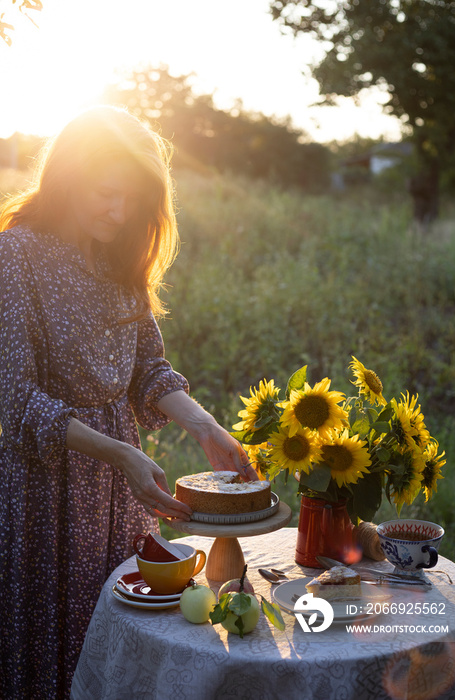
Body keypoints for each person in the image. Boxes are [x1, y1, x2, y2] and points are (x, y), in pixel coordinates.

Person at [0, 105, 256, 699]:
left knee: (121, 639)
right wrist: (120, 454)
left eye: (133, 200)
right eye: (106, 194)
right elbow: (14, 400)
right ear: (66, 177)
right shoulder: (15, 257)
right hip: (47, 493)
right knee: (54, 648)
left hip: (120, 489)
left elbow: (149, 370)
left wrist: (204, 425)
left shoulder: (119, 258)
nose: (120, 212)